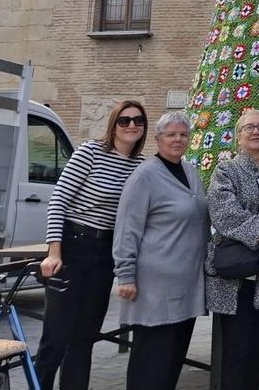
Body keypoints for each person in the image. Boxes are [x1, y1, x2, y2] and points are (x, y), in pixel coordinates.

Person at [35, 100, 148, 390]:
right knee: (56, 337)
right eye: (124, 120)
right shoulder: (90, 152)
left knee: (85, 337)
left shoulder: (141, 166)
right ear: (113, 124)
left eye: (138, 120)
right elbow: (58, 201)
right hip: (74, 245)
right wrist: (54, 252)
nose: (132, 125)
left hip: (105, 254)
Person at [112, 111, 209, 390]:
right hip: (155, 287)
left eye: (183, 134)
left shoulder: (189, 171)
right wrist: (126, 275)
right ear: (157, 139)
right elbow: (127, 229)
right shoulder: (145, 176)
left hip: (186, 284)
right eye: (171, 134)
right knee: (151, 362)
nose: (178, 139)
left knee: (172, 360)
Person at [206, 109, 259, 390]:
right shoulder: (226, 171)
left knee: (257, 352)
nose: (256, 132)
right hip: (235, 279)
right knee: (235, 353)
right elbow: (224, 212)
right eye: (249, 127)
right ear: (238, 136)